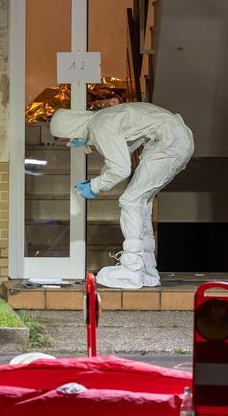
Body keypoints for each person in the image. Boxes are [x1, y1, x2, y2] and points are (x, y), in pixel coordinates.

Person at [50, 103, 194, 289]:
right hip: (176, 139)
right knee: (141, 202)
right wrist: (97, 176)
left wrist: (94, 186)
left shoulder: (100, 126)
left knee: (130, 200)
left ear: (69, 129)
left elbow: (121, 169)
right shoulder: (105, 119)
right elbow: (122, 154)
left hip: (168, 142)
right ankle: (148, 272)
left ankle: (131, 272)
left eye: (63, 138)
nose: (67, 143)